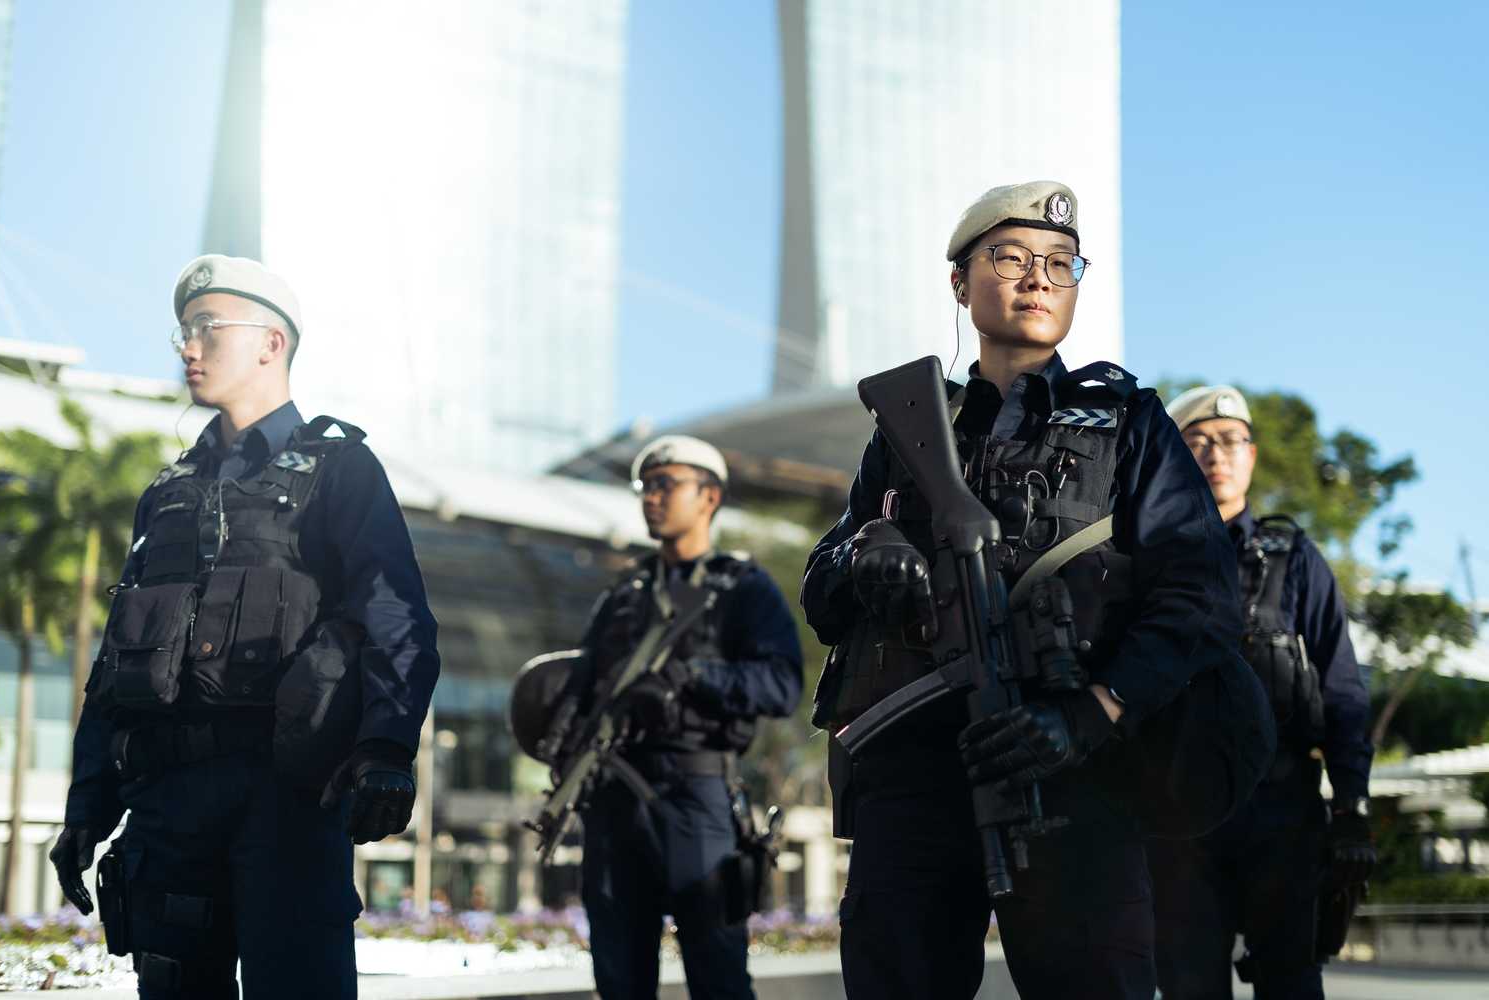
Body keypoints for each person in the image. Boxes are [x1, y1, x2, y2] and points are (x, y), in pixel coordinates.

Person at [801, 181, 1249, 999]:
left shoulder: (1129, 423)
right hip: (913, 780)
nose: (1038, 279)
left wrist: (1095, 711)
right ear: (961, 283)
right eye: (1010, 257)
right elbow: (822, 588)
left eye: (1059, 263)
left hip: (1070, 771)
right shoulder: (907, 424)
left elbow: (1202, 594)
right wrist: (867, 553)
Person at [47, 254, 441, 1000]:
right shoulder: (167, 491)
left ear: (271, 343)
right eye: (182, 333)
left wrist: (387, 746)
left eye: (205, 328)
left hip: (285, 795)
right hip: (167, 801)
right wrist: (85, 807)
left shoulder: (339, 469)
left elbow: (394, 612)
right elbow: (117, 658)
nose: (187, 348)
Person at [1148, 386, 1375, 999]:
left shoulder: (1297, 560)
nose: (1215, 455)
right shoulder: (1148, 560)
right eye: (1197, 443)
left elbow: (1343, 689)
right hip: (1179, 816)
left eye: (1229, 441)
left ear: (1251, 455)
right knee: (1188, 985)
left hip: (1283, 812)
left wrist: (1352, 806)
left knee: (1291, 983)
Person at [573, 436, 802, 1000]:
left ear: (709, 497)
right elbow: (578, 692)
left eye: (665, 485)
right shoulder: (624, 593)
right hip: (613, 794)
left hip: (696, 795)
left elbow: (782, 685)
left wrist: (693, 677)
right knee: (619, 979)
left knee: (718, 975)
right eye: (645, 487)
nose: (651, 498)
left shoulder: (741, 587)